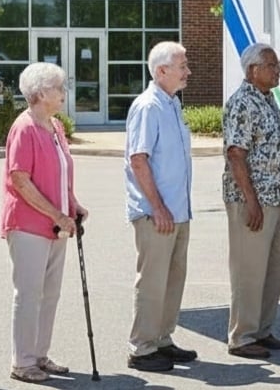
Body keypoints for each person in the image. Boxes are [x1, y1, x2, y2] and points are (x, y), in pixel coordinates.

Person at [223, 43, 280, 359]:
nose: (278, 70)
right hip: (253, 201)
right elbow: (236, 154)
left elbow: (274, 139)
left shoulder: (267, 100)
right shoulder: (242, 103)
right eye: (272, 65)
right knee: (249, 270)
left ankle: (262, 331)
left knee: (272, 268)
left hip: (276, 197)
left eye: (278, 65)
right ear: (253, 70)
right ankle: (242, 337)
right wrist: (251, 202)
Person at [0, 62, 88, 383]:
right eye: (58, 87)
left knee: (49, 294)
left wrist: (72, 203)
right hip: (28, 226)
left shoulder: (55, 126)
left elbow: (61, 172)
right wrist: (57, 214)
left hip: (57, 224)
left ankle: (39, 354)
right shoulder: (24, 128)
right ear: (38, 93)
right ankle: (22, 362)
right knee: (29, 293)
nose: (64, 92)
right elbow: (20, 181)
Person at [124, 41, 198, 373]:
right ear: (161, 71)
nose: (188, 71)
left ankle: (162, 339)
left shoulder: (172, 104)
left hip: (178, 211)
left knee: (173, 279)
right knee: (153, 281)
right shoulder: (148, 107)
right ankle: (142, 348)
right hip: (157, 213)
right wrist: (158, 207)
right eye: (182, 66)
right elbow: (139, 160)